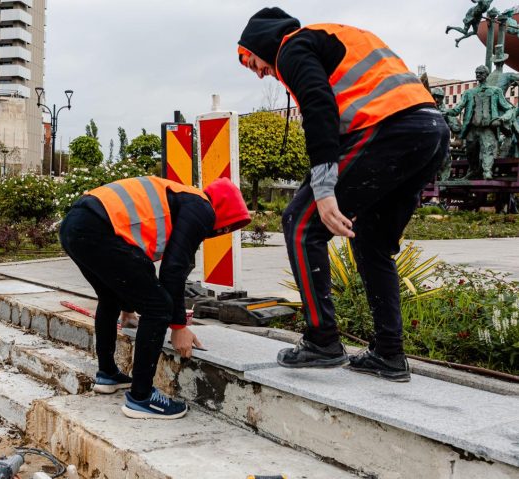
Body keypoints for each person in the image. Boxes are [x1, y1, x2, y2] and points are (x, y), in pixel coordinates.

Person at [237, 7, 449, 382]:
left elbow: (320, 106)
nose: (254, 69)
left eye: (248, 59)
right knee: (372, 243)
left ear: (261, 41)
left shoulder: (292, 47)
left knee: (300, 221)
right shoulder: (336, 35)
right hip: (430, 130)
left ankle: (322, 341)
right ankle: (388, 353)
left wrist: (323, 188)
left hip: (388, 127)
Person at [60, 176, 250, 419]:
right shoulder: (202, 207)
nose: (222, 231)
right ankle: (141, 397)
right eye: (227, 227)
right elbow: (173, 269)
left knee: (110, 297)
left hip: (75, 226)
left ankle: (107, 374)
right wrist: (178, 326)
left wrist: (127, 307)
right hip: (97, 227)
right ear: (225, 211)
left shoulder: (180, 198)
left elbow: (137, 265)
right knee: (159, 306)